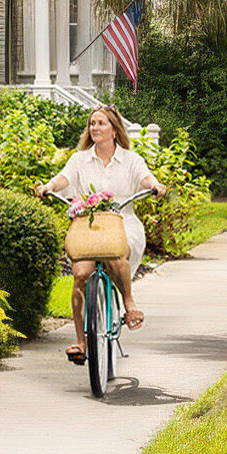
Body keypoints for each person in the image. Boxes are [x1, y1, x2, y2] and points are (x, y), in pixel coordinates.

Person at [39, 104, 166, 365]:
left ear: (114, 130)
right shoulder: (79, 159)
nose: (95, 128)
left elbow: (145, 178)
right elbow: (63, 179)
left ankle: (129, 304)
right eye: (92, 123)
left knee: (114, 252)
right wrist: (48, 186)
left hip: (122, 222)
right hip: (88, 223)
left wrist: (155, 185)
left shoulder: (131, 159)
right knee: (81, 275)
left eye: (101, 123)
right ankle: (81, 343)